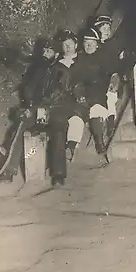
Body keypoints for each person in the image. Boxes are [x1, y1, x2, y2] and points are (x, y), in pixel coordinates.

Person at [0, 38, 59, 183]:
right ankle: (9, 161)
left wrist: (33, 108)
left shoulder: (55, 70)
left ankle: (9, 167)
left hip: (51, 110)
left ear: (55, 54)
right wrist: (30, 107)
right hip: (37, 108)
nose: (45, 54)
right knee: (20, 126)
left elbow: (53, 96)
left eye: (49, 51)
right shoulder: (40, 68)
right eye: (44, 50)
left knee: (21, 127)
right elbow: (29, 90)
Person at [66, 26, 123, 167]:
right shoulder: (79, 59)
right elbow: (73, 79)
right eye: (86, 43)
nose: (89, 46)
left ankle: (99, 141)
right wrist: (78, 92)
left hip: (98, 92)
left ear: (97, 44)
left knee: (97, 110)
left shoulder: (104, 58)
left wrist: (113, 83)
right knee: (75, 117)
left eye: (92, 43)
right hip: (82, 95)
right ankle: (71, 147)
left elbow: (114, 73)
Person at [39, 29, 82, 186]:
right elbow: (51, 88)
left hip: (79, 103)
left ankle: (68, 150)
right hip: (60, 104)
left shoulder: (82, 61)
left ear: (76, 45)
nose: (68, 48)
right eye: (64, 45)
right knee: (57, 124)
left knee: (69, 120)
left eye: (70, 44)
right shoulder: (56, 65)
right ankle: (58, 174)